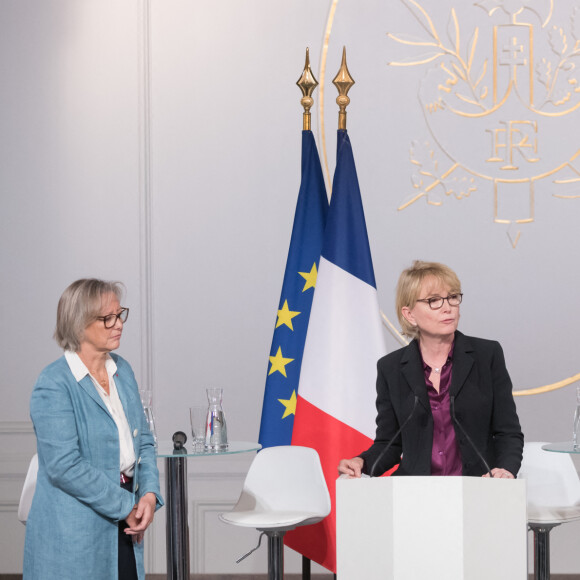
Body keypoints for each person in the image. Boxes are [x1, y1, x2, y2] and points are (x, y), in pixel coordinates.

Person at [24, 279, 163, 580]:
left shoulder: (122, 370)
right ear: (78, 325)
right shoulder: (54, 383)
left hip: (127, 517)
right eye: (107, 318)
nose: (119, 324)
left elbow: (146, 444)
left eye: (120, 314)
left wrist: (149, 495)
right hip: (75, 528)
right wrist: (127, 505)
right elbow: (64, 466)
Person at [338, 261, 523, 479]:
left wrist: (506, 469)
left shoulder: (487, 355)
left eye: (452, 297)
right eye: (433, 301)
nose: (447, 307)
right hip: (415, 492)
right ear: (409, 315)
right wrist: (362, 462)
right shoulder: (391, 368)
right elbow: (390, 442)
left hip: (477, 487)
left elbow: (507, 432)